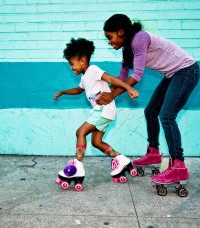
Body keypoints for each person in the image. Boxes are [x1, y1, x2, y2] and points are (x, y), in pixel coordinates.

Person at [97, 14, 200, 185]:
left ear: (121, 32)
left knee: (167, 116)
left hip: (186, 71)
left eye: (110, 37)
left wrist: (112, 95)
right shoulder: (127, 50)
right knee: (151, 111)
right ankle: (153, 153)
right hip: (173, 74)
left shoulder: (139, 38)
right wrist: (102, 89)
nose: (109, 41)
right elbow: (122, 77)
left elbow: (137, 75)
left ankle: (179, 166)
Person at [54, 38, 139, 191]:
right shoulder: (84, 77)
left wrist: (128, 88)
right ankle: (121, 159)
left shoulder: (93, 70)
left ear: (82, 60)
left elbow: (112, 78)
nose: (71, 67)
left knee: (80, 132)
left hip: (104, 110)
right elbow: (79, 90)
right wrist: (63, 92)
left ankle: (78, 166)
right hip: (103, 111)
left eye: (72, 64)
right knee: (96, 142)